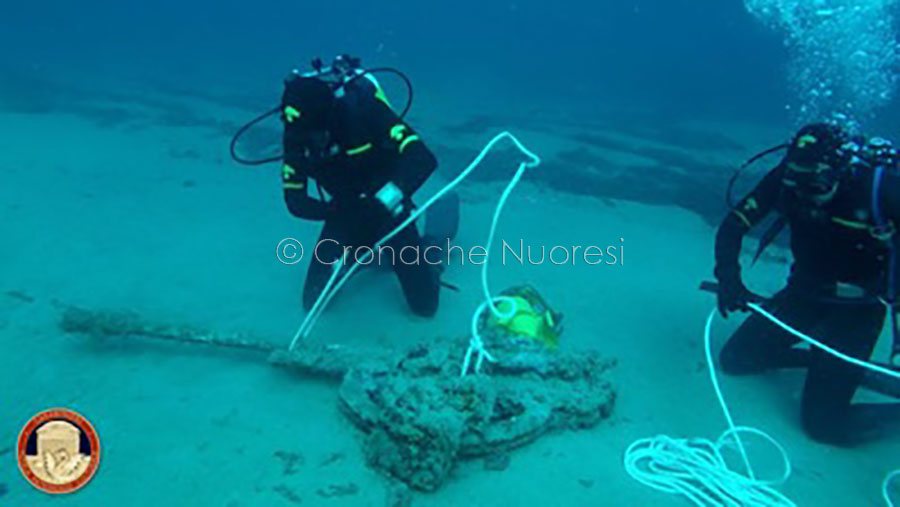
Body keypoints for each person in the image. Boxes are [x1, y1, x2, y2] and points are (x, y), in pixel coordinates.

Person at [714, 122, 900, 446]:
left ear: (839, 171)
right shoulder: (788, 179)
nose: (805, 196)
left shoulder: (880, 191)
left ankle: (841, 370)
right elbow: (733, 226)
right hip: (802, 294)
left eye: (813, 187)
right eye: (797, 186)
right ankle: (826, 363)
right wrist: (729, 278)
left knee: (824, 425)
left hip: (857, 310)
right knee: (736, 359)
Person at [279, 56, 441, 317]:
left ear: (329, 117)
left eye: (317, 135)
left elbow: (422, 159)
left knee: (424, 307)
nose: (312, 143)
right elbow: (295, 201)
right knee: (314, 303)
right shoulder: (297, 132)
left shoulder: (365, 111)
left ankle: (432, 249)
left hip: (390, 210)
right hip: (345, 213)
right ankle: (363, 254)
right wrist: (337, 211)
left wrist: (384, 201)